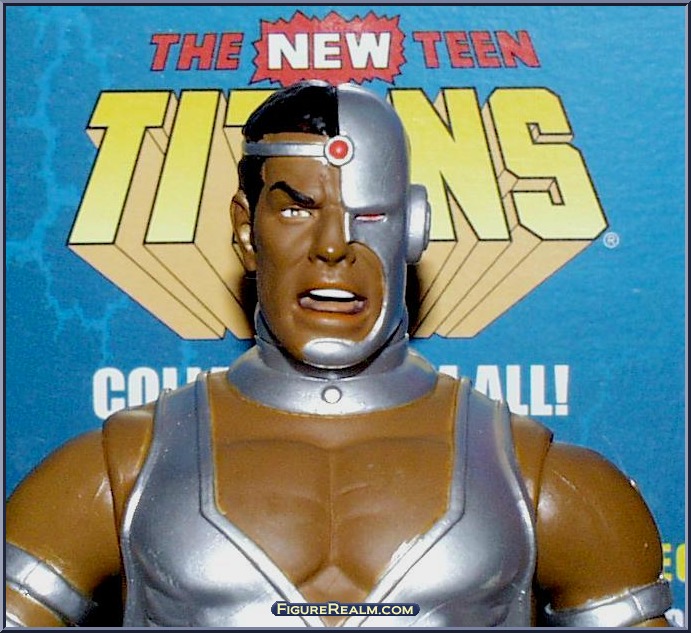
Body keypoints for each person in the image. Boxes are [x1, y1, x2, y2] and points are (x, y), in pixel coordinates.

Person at [5, 81, 671, 628]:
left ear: (413, 228)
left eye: (369, 215)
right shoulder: (120, 472)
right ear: (246, 230)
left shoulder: (539, 484)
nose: (332, 246)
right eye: (297, 210)